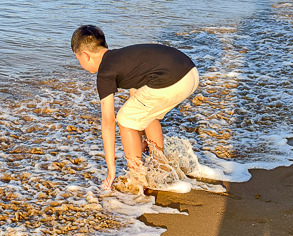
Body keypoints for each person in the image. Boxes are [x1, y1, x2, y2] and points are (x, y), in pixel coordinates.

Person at [71, 25, 199, 190]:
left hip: (172, 78)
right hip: (190, 73)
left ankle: (137, 179)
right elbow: (140, 106)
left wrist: (111, 169)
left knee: (125, 119)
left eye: (78, 59)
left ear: (86, 55)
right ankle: (161, 165)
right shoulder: (123, 58)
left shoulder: (105, 72)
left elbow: (108, 122)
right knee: (143, 114)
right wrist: (140, 139)